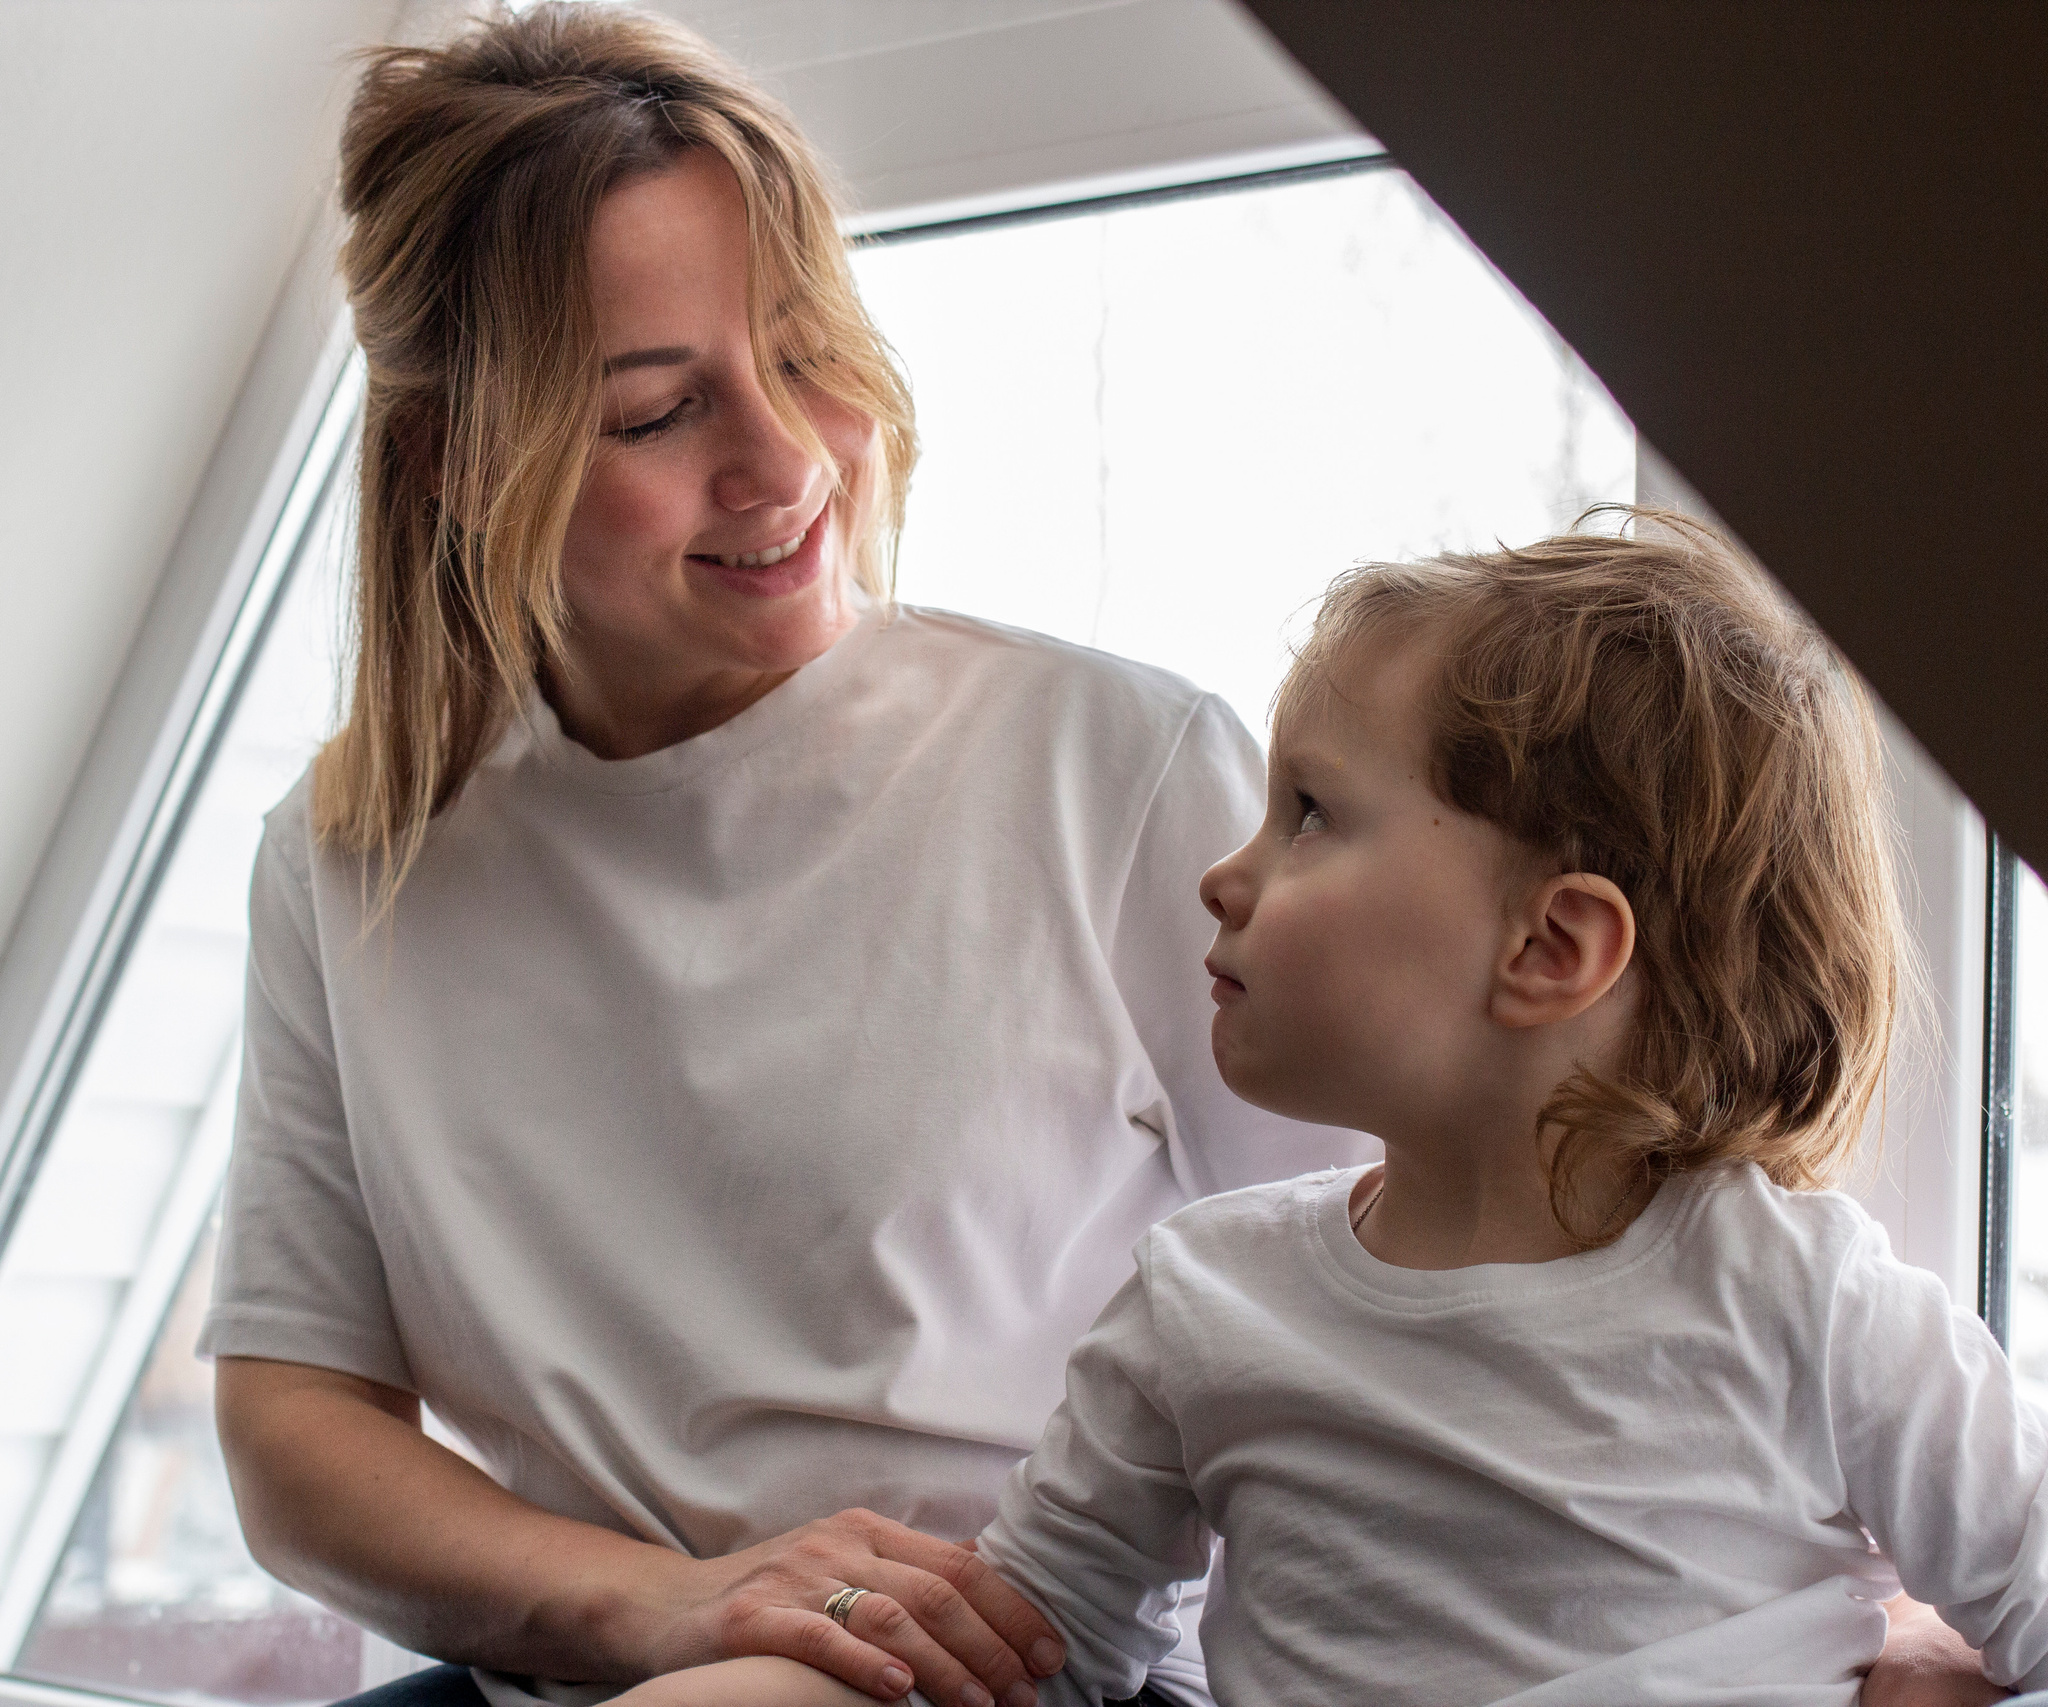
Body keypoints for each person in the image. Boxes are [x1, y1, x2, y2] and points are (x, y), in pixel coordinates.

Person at [200, 5, 1993, 1704]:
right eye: (660, 412)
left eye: (809, 349)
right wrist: (664, 1606)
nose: (788, 459)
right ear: (447, 457)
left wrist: (1780, 1618)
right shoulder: (347, 863)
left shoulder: (1105, 765)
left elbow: (1464, 1288)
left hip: (1005, 1670)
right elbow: (298, 1426)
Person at [603, 516, 2048, 1707]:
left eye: (1308, 811)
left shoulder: (1805, 1298)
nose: (1225, 877)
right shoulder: (1206, 1305)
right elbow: (1018, 1655)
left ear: (1549, 950)